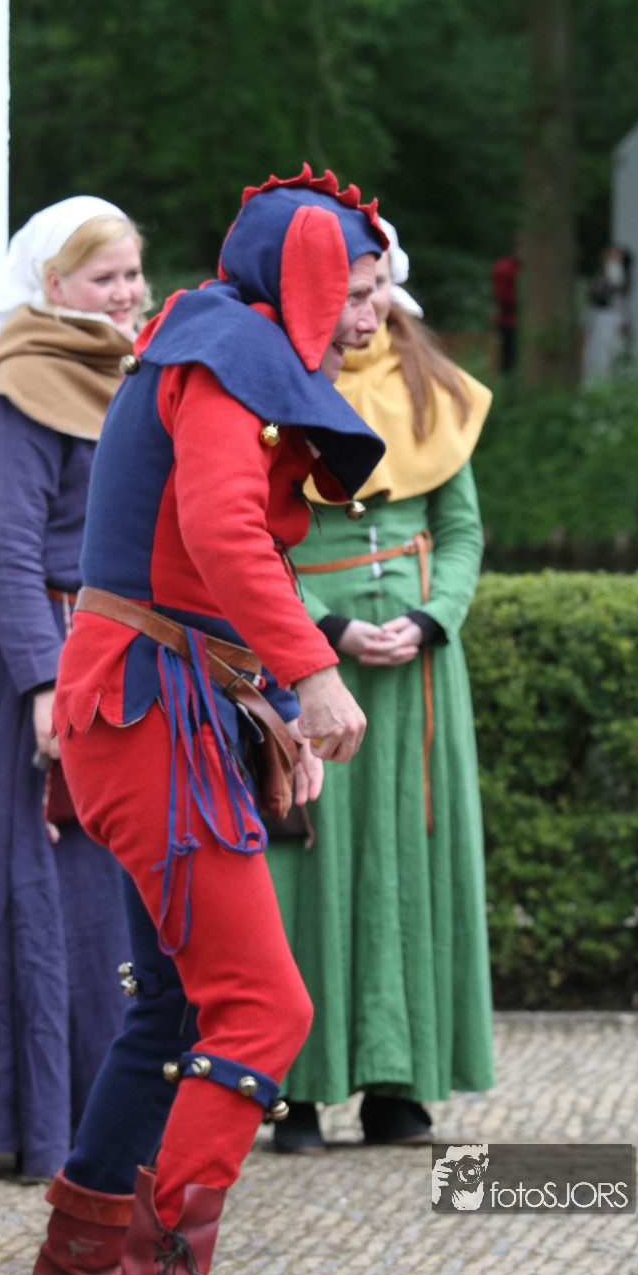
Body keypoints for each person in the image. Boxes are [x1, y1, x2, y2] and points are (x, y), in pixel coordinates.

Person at [31, 166, 387, 1275]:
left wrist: (275, 702)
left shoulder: (216, 344)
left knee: (178, 1010)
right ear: (305, 279)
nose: (372, 315)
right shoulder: (223, 353)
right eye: (359, 290)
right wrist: (313, 677)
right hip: (146, 712)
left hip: (162, 703)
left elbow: (208, 563)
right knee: (263, 1007)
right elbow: (225, 532)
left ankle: (79, 1271)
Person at [267, 219, 495, 1154]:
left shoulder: (434, 386)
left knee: (410, 862)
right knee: (311, 866)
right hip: (312, 668)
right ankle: (300, 1093)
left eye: (376, 292)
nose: (368, 311)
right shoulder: (281, 387)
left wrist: (435, 616)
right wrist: (325, 631)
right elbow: (255, 539)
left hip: (420, 680)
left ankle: (399, 1087)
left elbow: (463, 529)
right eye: (352, 295)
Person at [0, 196, 152, 1182]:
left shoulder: (128, 375)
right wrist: (43, 684)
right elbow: (8, 555)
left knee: (112, 899)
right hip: (52, 664)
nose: (127, 292)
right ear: (50, 284)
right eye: (105, 277)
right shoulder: (16, 389)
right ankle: (30, 1124)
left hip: (121, 660)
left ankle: (113, 1123)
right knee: (42, 889)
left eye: (133, 273)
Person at [581, 244, 632, 385]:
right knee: (595, 352)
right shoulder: (601, 274)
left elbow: (619, 299)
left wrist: (623, 320)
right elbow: (592, 300)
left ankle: (605, 383)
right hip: (599, 317)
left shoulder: (616, 272)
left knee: (606, 352)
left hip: (610, 317)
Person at [491, 236, 523, 373]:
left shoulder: (527, 268)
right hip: (509, 320)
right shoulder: (505, 268)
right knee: (509, 360)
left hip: (525, 321)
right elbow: (503, 297)